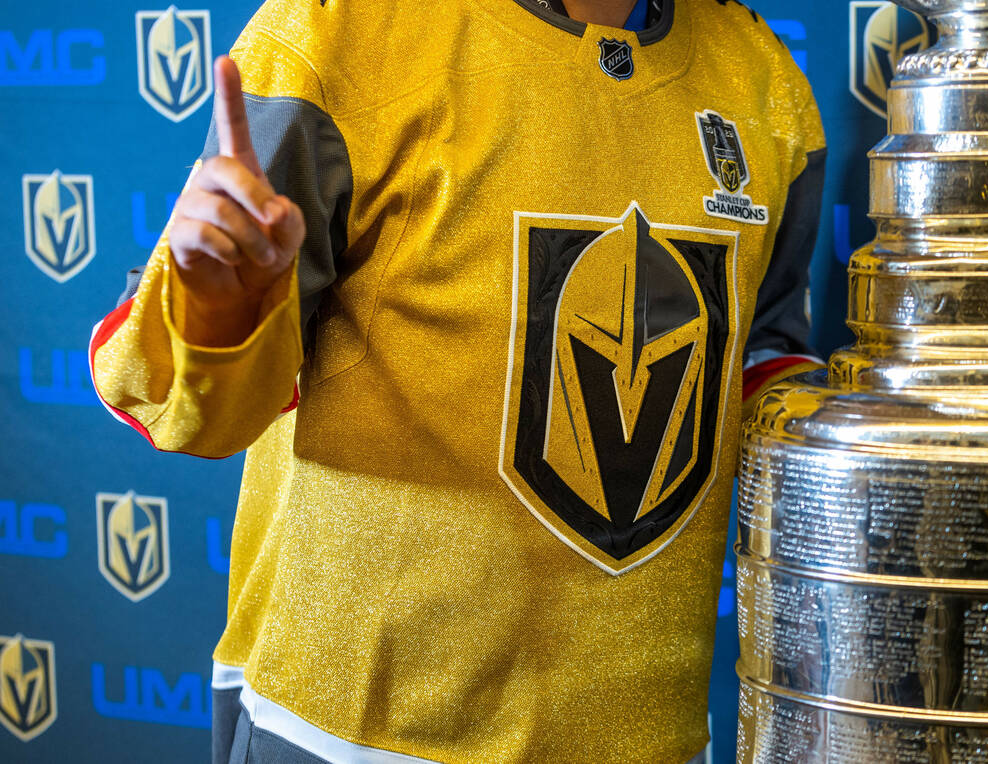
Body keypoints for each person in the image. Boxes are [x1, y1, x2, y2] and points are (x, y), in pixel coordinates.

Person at [89, 0, 825, 760]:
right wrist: (216, 304)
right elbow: (193, 409)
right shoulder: (336, 29)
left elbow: (759, 360)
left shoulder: (764, 80)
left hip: (649, 735)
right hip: (350, 736)